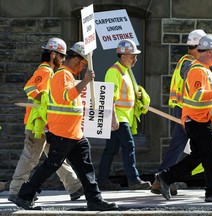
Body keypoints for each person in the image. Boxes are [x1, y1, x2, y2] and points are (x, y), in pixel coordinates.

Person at [14, 42, 118, 211]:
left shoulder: (67, 75)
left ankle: (94, 199)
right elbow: (68, 96)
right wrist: (85, 81)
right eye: (83, 63)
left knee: (85, 167)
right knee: (52, 165)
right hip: (63, 131)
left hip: (74, 133)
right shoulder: (62, 75)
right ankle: (24, 196)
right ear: (76, 59)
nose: (84, 67)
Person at [151, 30, 212, 196]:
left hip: (198, 120)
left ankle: (164, 177)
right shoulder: (198, 70)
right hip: (198, 120)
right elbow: (197, 95)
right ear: (208, 52)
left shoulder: (203, 69)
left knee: (197, 157)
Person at [9, 38, 83, 204]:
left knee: (55, 157)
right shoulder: (46, 71)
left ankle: (75, 187)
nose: (64, 59)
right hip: (38, 123)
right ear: (53, 54)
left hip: (46, 123)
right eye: (61, 56)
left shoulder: (51, 72)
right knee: (31, 157)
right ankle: (16, 190)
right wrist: (45, 98)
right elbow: (29, 88)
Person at [97, 39, 151, 190]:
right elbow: (110, 97)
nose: (135, 59)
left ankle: (102, 181)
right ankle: (133, 180)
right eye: (133, 55)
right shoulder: (114, 72)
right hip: (118, 117)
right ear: (123, 56)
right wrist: (113, 118)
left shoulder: (126, 72)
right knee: (129, 146)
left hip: (123, 117)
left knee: (111, 150)